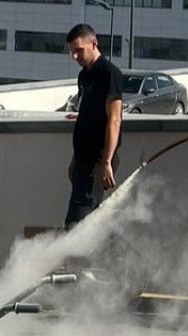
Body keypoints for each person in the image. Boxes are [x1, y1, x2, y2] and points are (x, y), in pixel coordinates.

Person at [63, 23, 125, 228]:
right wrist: (74, 158)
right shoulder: (84, 75)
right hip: (82, 160)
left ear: (94, 44)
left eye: (79, 50)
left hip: (98, 161)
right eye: (72, 52)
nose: (75, 57)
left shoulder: (110, 74)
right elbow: (84, 118)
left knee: (76, 222)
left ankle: (74, 259)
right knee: (89, 220)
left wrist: (106, 161)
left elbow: (114, 120)